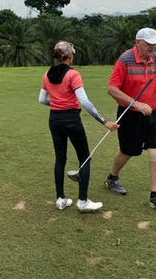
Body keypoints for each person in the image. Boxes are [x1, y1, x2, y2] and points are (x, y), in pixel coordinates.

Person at [104, 27, 156, 215]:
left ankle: (155, 196)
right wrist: (136, 104)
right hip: (130, 114)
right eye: (149, 44)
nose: (153, 48)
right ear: (138, 43)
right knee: (128, 151)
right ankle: (112, 178)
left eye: (155, 44)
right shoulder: (125, 60)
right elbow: (112, 89)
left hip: (153, 114)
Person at [39, 41, 119, 212]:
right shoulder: (73, 74)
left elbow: (42, 99)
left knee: (60, 159)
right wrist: (104, 121)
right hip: (71, 120)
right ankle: (82, 201)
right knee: (84, 158)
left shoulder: (47, 74)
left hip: (54, 119)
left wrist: (57, 105)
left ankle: (60, 199)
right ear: (69, 56)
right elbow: (84, 102)